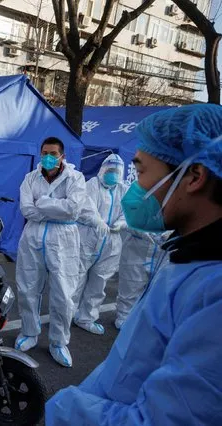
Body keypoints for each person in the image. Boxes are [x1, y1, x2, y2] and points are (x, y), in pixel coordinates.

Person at [46, 104, 222, 425]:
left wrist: (68, 410)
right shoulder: (190, 256)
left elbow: (171, 417)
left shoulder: (214, 292)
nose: (136, 187)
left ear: (194, 176)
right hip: (90, 241)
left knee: (97, 286)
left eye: (141, 173)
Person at [14, 137, 86, 368]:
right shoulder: (30, 178)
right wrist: (54, 207)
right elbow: (26, 209)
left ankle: (58, 342)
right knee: (27, 288)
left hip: (64, 240)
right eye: (44, 152)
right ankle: (29, 332)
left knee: (63, 294)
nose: (48, 156)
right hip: (33, 236)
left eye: (53, 153)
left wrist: (42, 202)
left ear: (62, 156)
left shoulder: (76, 178)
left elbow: (73, 210)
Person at [73, 154, 126, 335]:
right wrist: (98, 222)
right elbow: (85, 208)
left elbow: (128, 211)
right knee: (76, 278)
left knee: (99, 282)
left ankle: (86, 318)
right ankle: (66, 315)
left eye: (116, 171)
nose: (112, 174)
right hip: (88, 236)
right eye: (110, 170)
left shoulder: (123, 189)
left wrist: (121, 223)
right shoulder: (91, 185)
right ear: (103, 169)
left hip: (111, 241)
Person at [114, 229, 166, 329]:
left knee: (160, 290)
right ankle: (123, 319)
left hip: (163, 251)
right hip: (137, 248)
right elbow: (127, 219)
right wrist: (141, 231)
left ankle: (147, 322)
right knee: (130, 286)